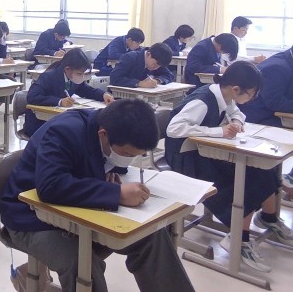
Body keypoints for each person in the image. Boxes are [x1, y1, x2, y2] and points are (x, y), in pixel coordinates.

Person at [0, 99, 195, 292]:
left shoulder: (110, 130)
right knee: (82, 265)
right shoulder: (64, 131)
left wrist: (110, 173)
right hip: (30, 218)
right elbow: (51, 186)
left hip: (75, 213)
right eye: (127, 154)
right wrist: (117, 194)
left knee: (151, 234)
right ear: (103, 134)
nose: (129, 159)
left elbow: (110, 162)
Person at [166, 61, 291, 272]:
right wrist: (219, 132)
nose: (252, 98)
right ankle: (239, 240)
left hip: (203, 151)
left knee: (263, 170)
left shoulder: (225, 96)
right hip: (185, 157)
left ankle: (268, 218)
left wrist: (237, 122)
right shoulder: (203, 101)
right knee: (245, 181)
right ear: (236, 89)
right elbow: (174, 128)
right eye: (251, 94)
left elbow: (237, 113)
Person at [24, 48, 114, 137]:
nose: (82, 76)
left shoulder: (71, 76)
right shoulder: (49, 76)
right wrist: (59, 101)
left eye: (84, 73)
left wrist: (103, 95)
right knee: (77, 134)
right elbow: (32, 97)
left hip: (58, 120)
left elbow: (86, 90)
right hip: (39, 123)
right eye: (79, 73)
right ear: (67, 69)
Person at [240, 44, 293, 192]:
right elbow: (274, 102)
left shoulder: (288, 61)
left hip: (272, 114)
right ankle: (288, 181)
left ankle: (288, 179)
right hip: (257, 118)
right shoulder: (278, 67)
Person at [109, 43, 174, 88]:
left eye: (159, 67)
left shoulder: (157, 61)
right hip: (120, 97)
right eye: (154, 64)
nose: (156, 68)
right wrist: (139, 83)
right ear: (148, 54)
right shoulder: (129, 58)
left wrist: (157, 80)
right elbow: (114, 78)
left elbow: (169, 75)